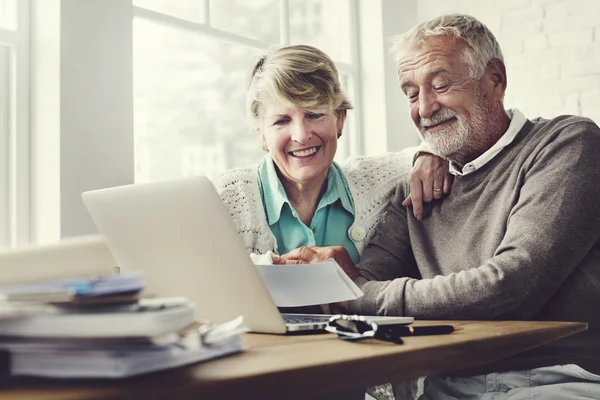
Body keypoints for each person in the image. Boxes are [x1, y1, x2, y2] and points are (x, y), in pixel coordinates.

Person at [278, 15, 600, 399]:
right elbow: (362, 286)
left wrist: (353, 294)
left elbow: (510, 284)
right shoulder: (415, 189)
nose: (425, 109)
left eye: (441, 85)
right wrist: (339, 285)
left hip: (558, 378)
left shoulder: (566, 144)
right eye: (411, 94)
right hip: (446, 385)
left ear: (494, 79)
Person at [212, 44, 450, 400]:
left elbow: (444, 140)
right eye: (281, 120)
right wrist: (269, 271)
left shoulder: (376, 180)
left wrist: (431, 153)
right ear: (261, 135)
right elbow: (195, 293)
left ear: (339, 119)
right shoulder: (225, 196)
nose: (301, 135)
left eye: (314, 114)